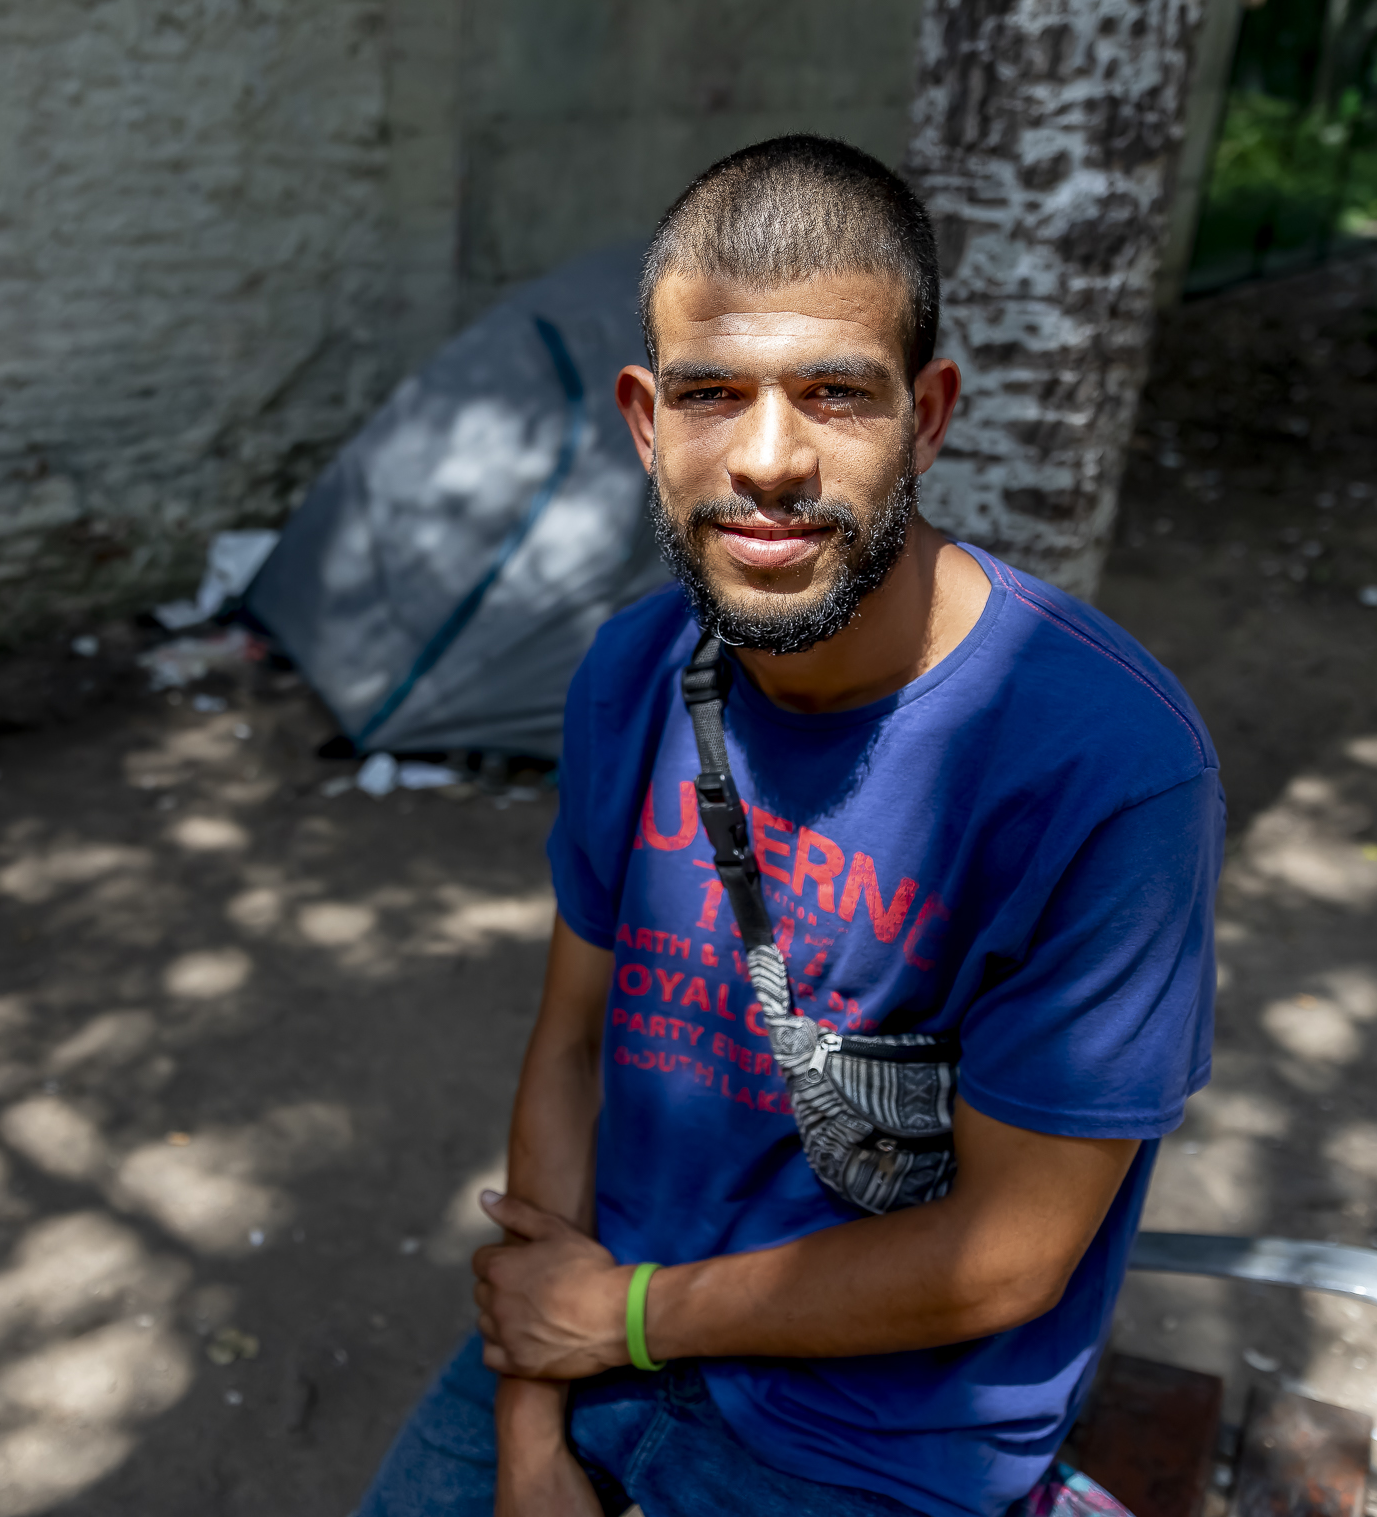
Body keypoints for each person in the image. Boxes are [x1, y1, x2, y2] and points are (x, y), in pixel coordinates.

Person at [352, 134, 1221, 1517]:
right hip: (591, 1338)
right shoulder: (632, 676)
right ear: (647, 420)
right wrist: (533, 1427)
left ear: (927, 419)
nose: (767, 459)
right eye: (712, 394)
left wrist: (626, 1318)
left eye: (835, 395)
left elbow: (1009, 1255)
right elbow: (571, 1047)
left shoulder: (1106, 763)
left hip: (875, 1436)